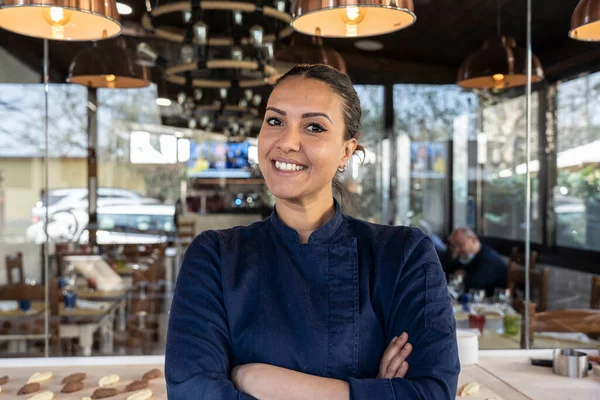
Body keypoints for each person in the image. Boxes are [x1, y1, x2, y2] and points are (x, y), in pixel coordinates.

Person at [165, 64, 459, 399]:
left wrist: (257, 379)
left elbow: (432, 393)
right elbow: (192, 391)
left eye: (314, 127)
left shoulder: (404, 255)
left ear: (346, 151)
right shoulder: (215, 257)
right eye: (275, 121)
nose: (287, 142)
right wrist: (375, 391)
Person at [446, 227, 508, 297]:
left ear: (473, 240)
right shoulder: (464, 257)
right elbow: (446, 275)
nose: (457, 250)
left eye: (460, 244)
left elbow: (469, 287)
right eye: (454, 246)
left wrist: (460, 277)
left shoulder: (487, 259)